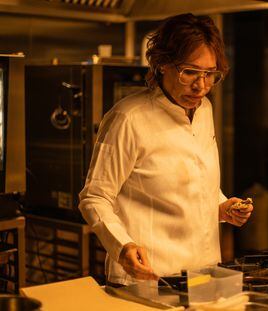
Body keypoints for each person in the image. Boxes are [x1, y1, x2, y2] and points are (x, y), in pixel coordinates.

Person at [78, 13, 253, 286]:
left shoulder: (204, 109)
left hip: (202, 276)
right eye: (190, 72)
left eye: (210, 74)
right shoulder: (128, 118)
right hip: (149, 280)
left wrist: (221, 206)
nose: (201, 86)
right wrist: (122, 246)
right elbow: (94, 197)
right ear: (161, 65)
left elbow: (193, 177)